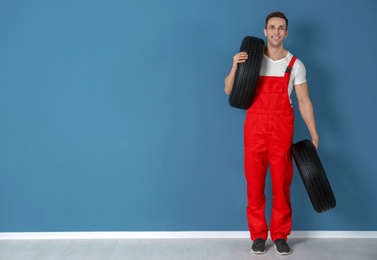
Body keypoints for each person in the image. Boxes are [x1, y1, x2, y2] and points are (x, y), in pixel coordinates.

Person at [224, 11, 319, 255]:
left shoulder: (295, 64)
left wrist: (314, 133)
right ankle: (257, 236)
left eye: (281, 28)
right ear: (265, 31)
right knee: (254, 185)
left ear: (286, 33)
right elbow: (228, 89)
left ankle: (279, 235)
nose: (276, 31)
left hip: (281, 130)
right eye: (272, 27)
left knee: (281, 185)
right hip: (254, 129)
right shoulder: (251, 61)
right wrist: (235, 66)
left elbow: (304, 101)